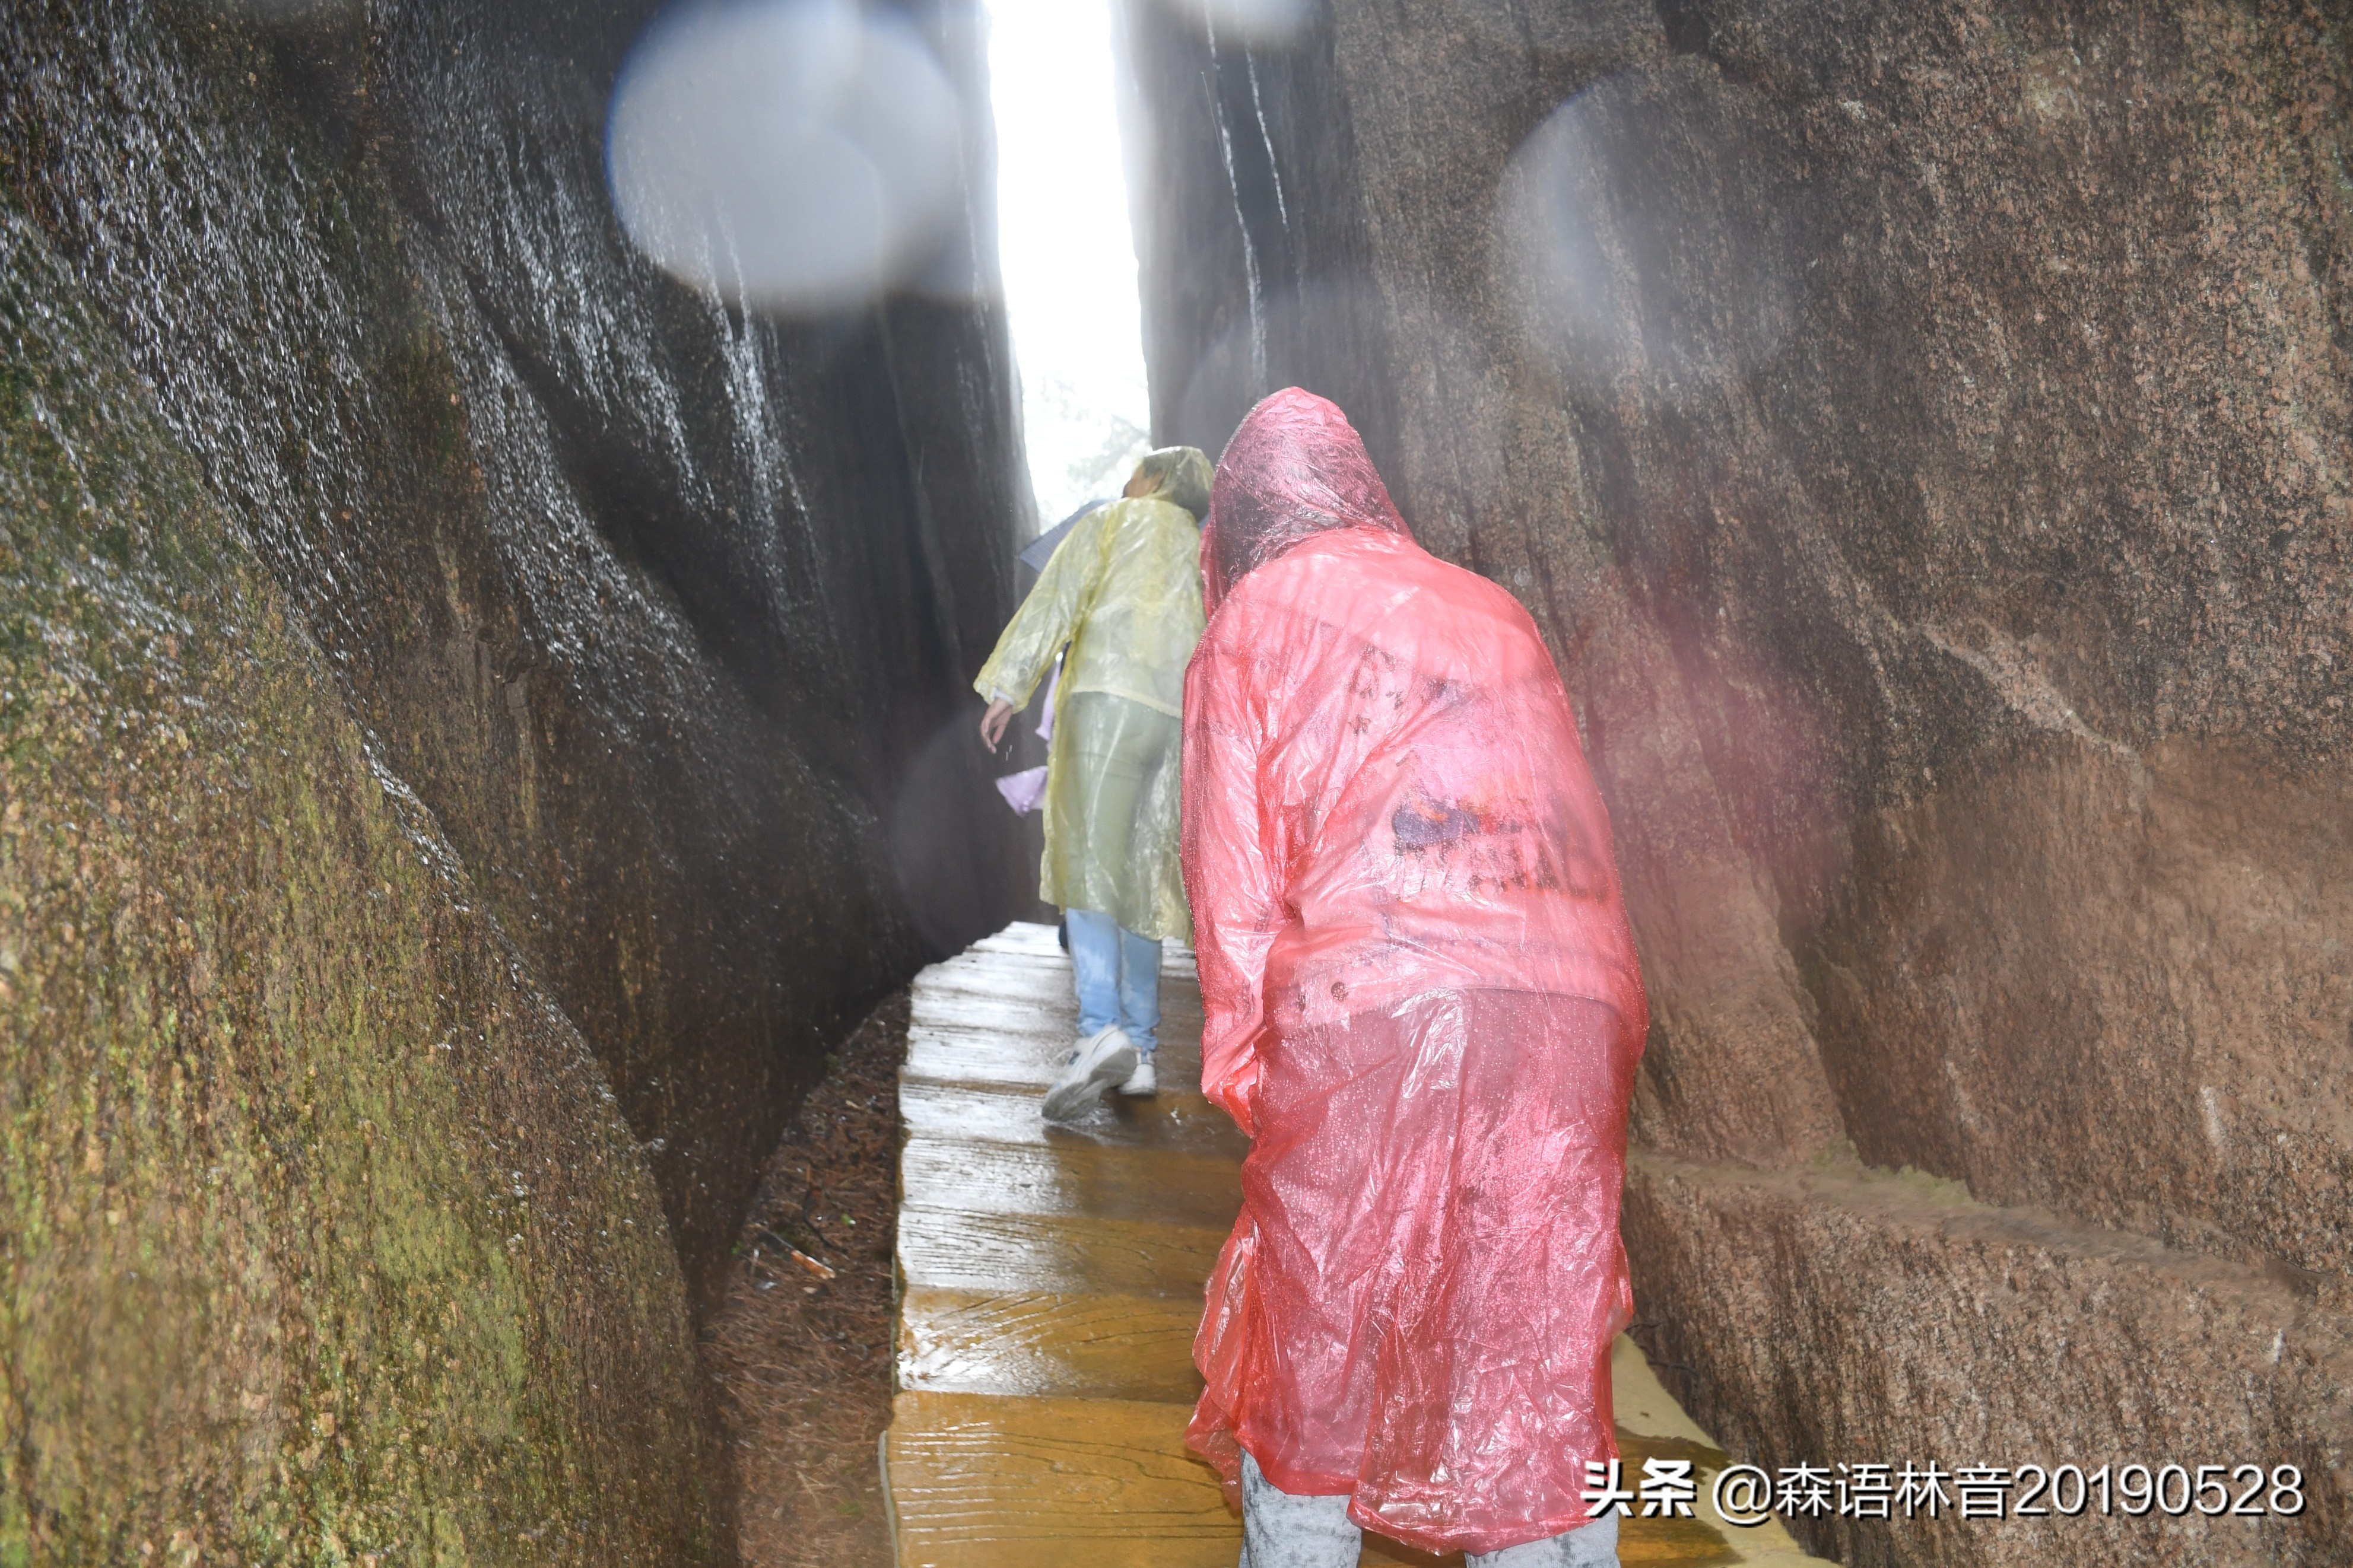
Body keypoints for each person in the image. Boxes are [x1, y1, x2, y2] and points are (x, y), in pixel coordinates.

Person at [1180, 389, 1647, 1566]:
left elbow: (1232, 881)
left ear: (1237, 520)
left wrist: (1248, 1071)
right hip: (1571, 996)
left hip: (1370, 996)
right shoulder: (1496, 610)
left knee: (1320, 1340)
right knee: (1532, 1337)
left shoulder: (1250, 619)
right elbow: (1560, 799)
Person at [977, 446, 1215, 1119]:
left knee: (1089, 868)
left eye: (1138, 470)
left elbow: (1057, 599)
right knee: (1144, 881)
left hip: (1105, 701)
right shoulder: (1203, 552)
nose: (1126, 480)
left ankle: (1097, 1031)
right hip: (1174, 720)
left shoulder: (1110, 522)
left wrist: (1008, 685)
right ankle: (1138, 1052)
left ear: (1158, 482)